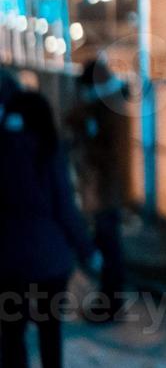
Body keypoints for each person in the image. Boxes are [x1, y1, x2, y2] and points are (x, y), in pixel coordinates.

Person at [0, 89, 94, 368]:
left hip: (8, 259)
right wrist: (86, 249)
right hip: (49, 260)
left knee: (11, 332)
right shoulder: (50, 151)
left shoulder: (2, 150)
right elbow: (65, 207)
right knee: (49, 329)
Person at [67, 58, 133, 316]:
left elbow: (112, 155)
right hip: (104, 190)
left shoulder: (111, 109)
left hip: (107, 191)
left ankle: (111, 303)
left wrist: (89, 142)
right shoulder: (106, 104)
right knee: (107, 243)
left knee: (109, 245)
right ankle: (108, 300)